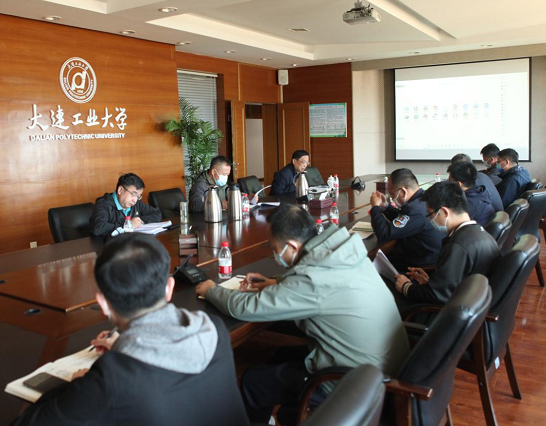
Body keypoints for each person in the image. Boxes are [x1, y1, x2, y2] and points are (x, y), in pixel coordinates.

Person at [195, 205, 410, 424]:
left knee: (253, 382)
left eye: (274, 248)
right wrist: (277, 282)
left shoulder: (312, 282)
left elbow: (247, 307)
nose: (274, 254)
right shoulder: (344, 252)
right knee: (280, 355)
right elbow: (319, 279)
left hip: (351, 384)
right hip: (383, 369)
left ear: (291, 246)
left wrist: (211, 290)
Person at [13, 233, 249, 426]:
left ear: (103, 303)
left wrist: (80, 386)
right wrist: (123, 345)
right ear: (169, 288)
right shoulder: (214, 330)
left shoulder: (113, 377)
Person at [395, 181, 500, 306]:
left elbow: (437, 295)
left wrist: (406, 287)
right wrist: (430, 281)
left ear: (444, 212)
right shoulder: (480, 233)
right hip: (471, 302)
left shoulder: (457, 245)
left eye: (430, 214)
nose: (430, 220)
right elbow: (452, 281)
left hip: (448, 309)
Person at [369, 168, 443, 271]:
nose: (391, 197)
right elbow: (403, 219)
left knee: (373, 261)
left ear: (403, 191)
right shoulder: (423, 198)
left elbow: (384, 233)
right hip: (427, 254)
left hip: (424, 265)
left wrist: (375, 207)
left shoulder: (415, 210)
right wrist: (385, 206)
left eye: (392, 193)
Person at [89, 173, 162, 237]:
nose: (135, 200)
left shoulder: (136, 203)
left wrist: (139, 221)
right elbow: (97, 228)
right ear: (120, 190)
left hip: (130, 242)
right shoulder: (103, 204)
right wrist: (127, 224)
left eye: (138, 196)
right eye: (133, 194)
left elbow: (157, 213)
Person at [448, 161, 496, 227]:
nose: (447, 182)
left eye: (449, 180)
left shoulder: (470, 204)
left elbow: (451, 224)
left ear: (458, 184)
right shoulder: (479, 191)